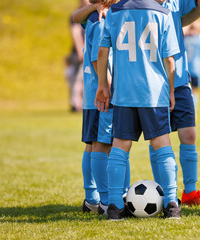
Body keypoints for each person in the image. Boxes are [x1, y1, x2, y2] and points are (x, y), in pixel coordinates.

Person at [95, 0, 181, 220]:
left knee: (120, 147)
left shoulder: (115, 11)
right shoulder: (163, 13)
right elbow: (169, 60)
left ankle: (114, 206)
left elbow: (103, 51)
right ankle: (172, 204)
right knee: (162, 145)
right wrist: (171, 91)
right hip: (154, 93)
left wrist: (102, 85)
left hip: (123, 91)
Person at [149, 0, 200, 206]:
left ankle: (190, 192)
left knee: (189, 134)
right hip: (155, 80)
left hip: (181, 78)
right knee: (158, 139)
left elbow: (185, 17)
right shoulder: (143, 4)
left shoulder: (177, 2)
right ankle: (161, 191)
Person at [79, 0, 128, 215]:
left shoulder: (94, 16)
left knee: (93, 145)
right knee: (102, 144)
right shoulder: (100, 21)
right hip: (102, 94)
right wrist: (107, 87)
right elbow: (98, 58)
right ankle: (106, 200)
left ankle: (93, 199)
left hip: (94, 94)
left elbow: (74, 17)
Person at [65, 0, 89, 112]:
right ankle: (75, 104)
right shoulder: (77, 14)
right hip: (80, 53)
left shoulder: (88, 12)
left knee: (84, 79)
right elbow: (75, 32)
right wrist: (81, 51)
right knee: (77, 79)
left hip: (86, 51)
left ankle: (82, 103)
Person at [183, 19, 200, 110]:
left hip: (185, 68)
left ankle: (186, 105)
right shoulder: (199, 39)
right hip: (196, 68)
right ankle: (193, 107)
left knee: (185, 89)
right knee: (194, 90)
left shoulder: (184, 39)